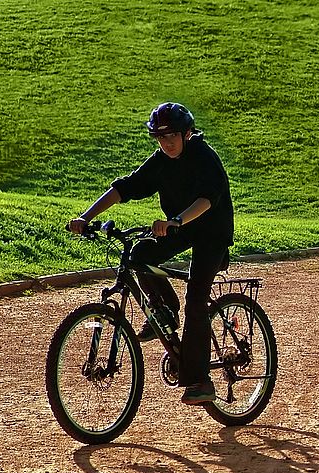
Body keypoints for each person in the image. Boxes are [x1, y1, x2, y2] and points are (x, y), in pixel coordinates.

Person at [68, 102, 234, 406]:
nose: (166, 143)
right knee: (139, 256)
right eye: (159, 137)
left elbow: (209, 199)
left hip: (211, 232)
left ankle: (200, 381)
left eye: (171, 136)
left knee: (197, 297)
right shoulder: (161, 161)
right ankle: (166, 309)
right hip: (179, 227)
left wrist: (176, 221)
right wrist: (86, 217)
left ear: (187, 133)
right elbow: (126, 187)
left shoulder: (204, 157)